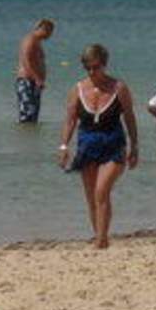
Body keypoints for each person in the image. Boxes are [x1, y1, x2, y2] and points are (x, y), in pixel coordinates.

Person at [57, 44, 137, 248]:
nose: (92, 72)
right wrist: (64, 147)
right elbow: (70, 120)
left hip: (113, 143)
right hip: (87, 144)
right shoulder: (77, 90)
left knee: (101, 191)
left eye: (96, 67)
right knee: (92, 196)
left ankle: (101, 239)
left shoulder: (119, 88)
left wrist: (134, 146)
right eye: (88, 68)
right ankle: (100, 236)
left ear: (104, 64)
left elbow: (129, 117)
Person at [16, 18, 55, 124]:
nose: (50, 35)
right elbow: (25, 60)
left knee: (33, 117)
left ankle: (31, 135)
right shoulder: (30, 40)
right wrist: (37, 78)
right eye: (50, 32)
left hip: (33, 82)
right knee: (27, 115)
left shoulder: (37, 41)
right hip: (26, 82)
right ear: (43, 29)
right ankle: (24, 134)